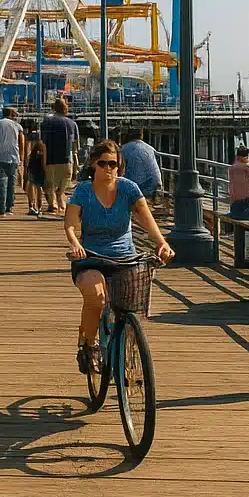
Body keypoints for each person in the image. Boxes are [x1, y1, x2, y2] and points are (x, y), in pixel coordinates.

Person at [64, 139, 174, 374]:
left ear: (119, 165)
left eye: (113, 164)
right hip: (91, 258)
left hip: (125, 258)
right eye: (103, 163)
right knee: (96, 297)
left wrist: (161, 242)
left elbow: (146, 218)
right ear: (94, 164)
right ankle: (88, 344)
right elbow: (70, 224)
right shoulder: (83, 191)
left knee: (131, 308)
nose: (108, 168)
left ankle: (127, 341)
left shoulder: (128, 189)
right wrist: (75, 243)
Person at [39, 99, 78, 215]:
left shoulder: (47, 122)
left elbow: (43, 144)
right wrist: (75, 164)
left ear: (54, 108)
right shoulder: (72, 124)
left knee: (50, 185)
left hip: (51, 159)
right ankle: (61, 201)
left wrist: (43, 161)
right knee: (64, 184)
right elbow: (75, 146)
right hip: (67, 159)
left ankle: (53, 205)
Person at [0, 107, 24, 217]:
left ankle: (1, 208)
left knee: (1, 183)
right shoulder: (17, 126)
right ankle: (9, 207)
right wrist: (22, 157)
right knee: (11, 183)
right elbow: (22, 142)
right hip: (13, 157)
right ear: (12, 114)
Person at [120, 128, 162, 200]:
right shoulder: (150, 148)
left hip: (138, 187)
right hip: (155, 185)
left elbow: (120, 169)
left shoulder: (124, 149)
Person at [25, 127, 48, 217]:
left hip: (33, 162)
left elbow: (28, 154)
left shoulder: (31, 141)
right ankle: (39, 206)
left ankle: (32, 205)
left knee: (31, 184)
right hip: (41, 164)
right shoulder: (43, 144)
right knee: (39, 186)